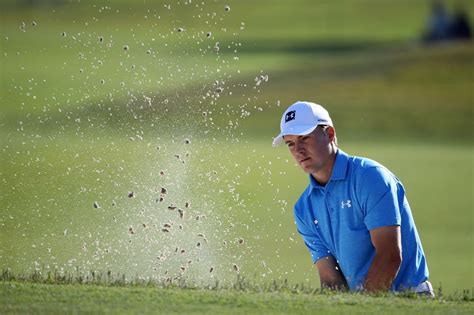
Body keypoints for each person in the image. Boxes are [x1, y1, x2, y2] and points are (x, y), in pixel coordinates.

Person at [272, 101, 434, 296]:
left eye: (304, 138)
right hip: (362, 303)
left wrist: (361, 308)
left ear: (329, 134)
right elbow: (331, 278)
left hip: (409, 301)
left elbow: (389, 256)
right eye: (290, 143)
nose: (298, 150)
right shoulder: (304, 208)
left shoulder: (370, 177)